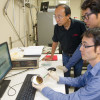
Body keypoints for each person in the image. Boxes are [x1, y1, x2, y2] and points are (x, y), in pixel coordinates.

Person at [32, 27, 100, 100]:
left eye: (85, 45)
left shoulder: (98, 81)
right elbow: (81, 81)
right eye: (81, 44)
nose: (80, 49)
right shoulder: (92, 67)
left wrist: (44, 88)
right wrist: (59, 78)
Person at [43, 4, 86, 93]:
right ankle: (65, 92)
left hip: (78, 57)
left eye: (60, 16)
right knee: (65, 76)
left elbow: (85, 43)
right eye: (55, 16)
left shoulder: (80, 25)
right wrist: (51, 55)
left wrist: (85, 55)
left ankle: (76, 93)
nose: (57, 19)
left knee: (78, 76)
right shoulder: (57, 27)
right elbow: (55, 42)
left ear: (68, 16)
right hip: (66, 55)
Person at [62, 0, 100, 76]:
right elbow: (81, 48)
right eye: (83, 17)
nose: (85, 20)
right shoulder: (92, 30)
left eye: (87, 16)